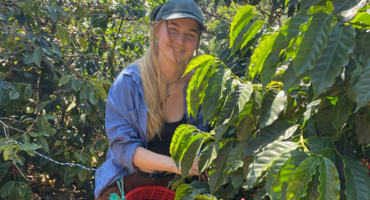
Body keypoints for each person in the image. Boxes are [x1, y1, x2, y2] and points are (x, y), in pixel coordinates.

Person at [94, 0, 210, 199]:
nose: (180, 40)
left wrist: (204, 160)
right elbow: (124, 150)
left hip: (174, 183)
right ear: (157, 30)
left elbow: (202, 138)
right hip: (128, 178)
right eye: (173, 29)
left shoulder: (199, 88)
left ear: (197, 42)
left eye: (190, 34)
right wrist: (181, 165)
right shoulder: (129, 83)